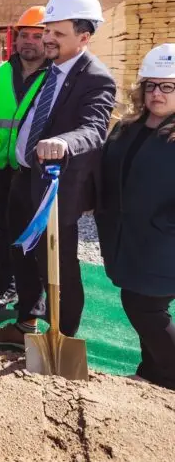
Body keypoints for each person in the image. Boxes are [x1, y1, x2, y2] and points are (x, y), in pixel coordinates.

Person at [0, 0, 116, 348]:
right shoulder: (52, 69)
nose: (48, 38)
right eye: (47, 30)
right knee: (21, 254)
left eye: (58, 33)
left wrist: (65, 143)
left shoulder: (95, 78)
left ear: (84, 37)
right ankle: (25, 327)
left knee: (58, 263)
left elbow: (94, 128)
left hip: (55, 187)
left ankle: (61, 339)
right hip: (24, 179)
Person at [97, 44, 175, 390]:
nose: (157, 93)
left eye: (168, 86)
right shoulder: (128, 126)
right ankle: (153, 372)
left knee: (145, 307)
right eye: (151, 85)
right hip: (127, 235)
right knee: (137, 299)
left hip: (163, 241)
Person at [0, 6, 49, 308]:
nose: (29, 42)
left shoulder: (53, 76)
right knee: (3, 229)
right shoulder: (3, 72)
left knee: (32, 235)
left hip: (33, 170)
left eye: (37, 36)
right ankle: (6, 286)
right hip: (1, 166)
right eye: (24, 35)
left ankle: (34, 299)